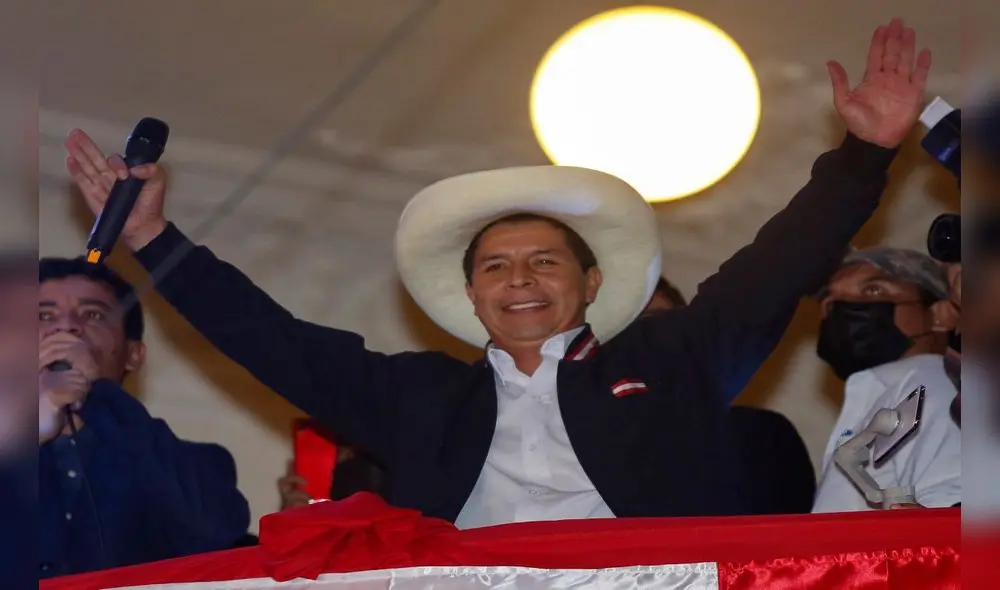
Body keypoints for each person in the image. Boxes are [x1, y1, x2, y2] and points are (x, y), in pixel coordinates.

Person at [65, 19, 929, 527]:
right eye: (497, 267)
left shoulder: (677, 360)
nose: (520, 280)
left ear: (591, 285)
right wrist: (155, 238)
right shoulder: (418, 396)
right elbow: (271, 341)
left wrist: (864, 155)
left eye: (545, 260)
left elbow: (776, 266)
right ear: (472, 294)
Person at [37, 258, 252, 578]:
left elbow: (215, 534)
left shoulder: (195, 463)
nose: (67, 327)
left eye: (93, 315)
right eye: (43, 316)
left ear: (134, 354)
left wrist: (97, 392)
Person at [641, 278, 816, 514]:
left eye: (654, 322)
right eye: (624, 328)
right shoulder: (582, 446)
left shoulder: (761, 438)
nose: (638, 340)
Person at [810, 247, 961, 512]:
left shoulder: (930, 384)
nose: (843, 307)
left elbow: (948, 522)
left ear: (940, 315)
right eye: (831, 302)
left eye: (873, 290)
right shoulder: (888, 390)